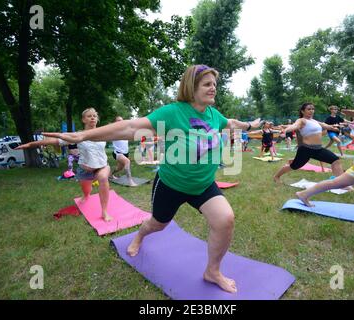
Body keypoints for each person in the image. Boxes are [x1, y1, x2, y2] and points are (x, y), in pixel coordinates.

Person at [42, 65, 261, 293]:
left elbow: (232, 123)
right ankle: (139, 236)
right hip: (171, 185)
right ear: (191, 87)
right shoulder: (173, 112)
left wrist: (250, 125)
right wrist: (83, 135)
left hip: (203, 185)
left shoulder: (214, 116)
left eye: (214, 84)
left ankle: (212, 271)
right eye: (207, 84)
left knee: (225, 219)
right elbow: (130, 126)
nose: (213, 88)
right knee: (158, 224)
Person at [16, 108, 113, 222]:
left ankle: (104, 212)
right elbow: (55, 141)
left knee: (102, 178)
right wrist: (30, 144)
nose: (92, 118)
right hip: (84, 169)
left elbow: (123, 132)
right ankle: (86, 195)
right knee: (87, 192)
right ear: (83, 120)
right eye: (89, 116)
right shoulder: (77, 135)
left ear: (97, 119)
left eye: (94, 116)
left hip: (102, 166)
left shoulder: (103, 133)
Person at [273, 103, 348, 184]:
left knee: (335, 160)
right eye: (309, 109)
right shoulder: (301, 120)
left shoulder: (314, 121)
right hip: (306, 149)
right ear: (302, 111)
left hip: (318, 149)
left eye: (312, 109)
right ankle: (276, 176)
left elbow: (325, 125)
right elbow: (294, 126)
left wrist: (334, 127)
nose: (311, 111)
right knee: (294, 166)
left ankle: (341, 183)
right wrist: (286, 130)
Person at [110, 116, 137, 186]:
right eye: (118, 120)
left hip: (126, 153)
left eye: (121, 120)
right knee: (127, 162)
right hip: (117, 153)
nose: (120, 122)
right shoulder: (113, 131)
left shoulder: (126, 131)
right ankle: (130, 181)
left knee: (119, 168)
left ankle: (110, 174)